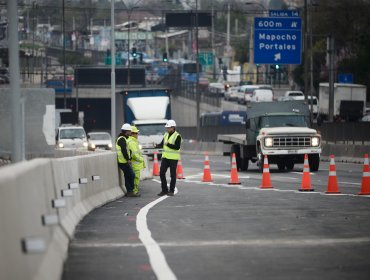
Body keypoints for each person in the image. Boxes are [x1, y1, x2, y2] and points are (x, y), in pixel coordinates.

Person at [156, 119, 182, 196]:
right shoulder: (166, 135)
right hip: (165, 158)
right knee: (161, 173)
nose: (167, 129)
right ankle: (164, 190)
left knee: (173, 175)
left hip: (173, 159)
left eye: (168, 128)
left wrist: (168, 144)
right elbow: (162, 144)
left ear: (173, 127)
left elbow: (177, 147)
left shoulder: (178, 136)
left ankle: (171, 191)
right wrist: (157, 145)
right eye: (167, 128)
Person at [116, 123, 139, 197]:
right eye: (130, 131)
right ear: (126, 131)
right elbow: (123, 150)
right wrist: (128, 159)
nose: (131, 133)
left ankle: (129, 192)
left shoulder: (123, 138)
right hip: (123, 162)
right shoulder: (122, 139)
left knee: (128, 176)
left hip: (124, 161)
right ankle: (130, 191)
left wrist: (130, 156)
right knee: (131, 175)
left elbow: (127, 150)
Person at [128, 126, 146, 196]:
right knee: (136, 178)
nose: (137, 135)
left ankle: (134, 190)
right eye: (136, 133)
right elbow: (134, 154)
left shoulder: (133, 141)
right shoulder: (132, 142)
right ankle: (134, 191)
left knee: (134, 178)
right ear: (133, 134)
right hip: (135, 165)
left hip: (134, 164)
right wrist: (141, 159)